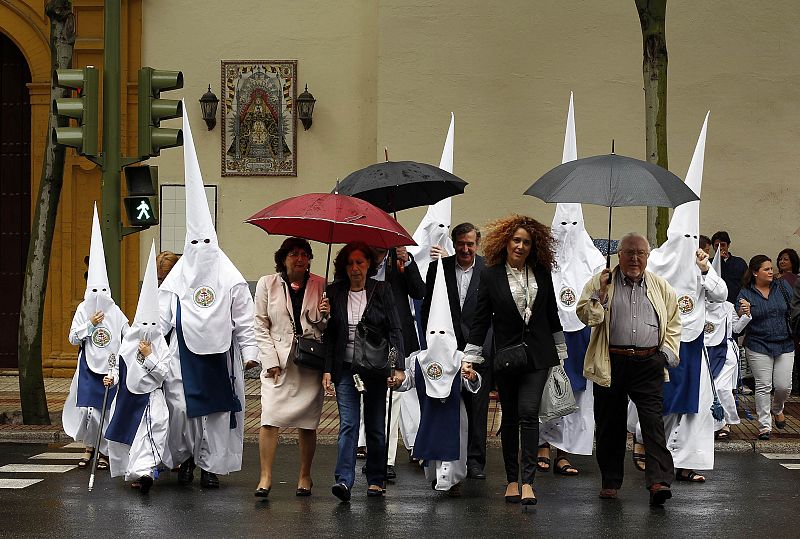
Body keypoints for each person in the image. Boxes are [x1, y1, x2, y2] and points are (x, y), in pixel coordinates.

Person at [159, 110, 259, 489]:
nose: (201, 250)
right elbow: (162, 318)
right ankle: (184, 458)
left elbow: (244, 320)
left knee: (216, 414)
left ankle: (211, 466)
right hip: (182, 356)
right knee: (182, 411)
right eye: (195, 244)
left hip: (221, 356)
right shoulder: (176, 280)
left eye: (207, 243)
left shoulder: (231, 279)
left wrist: (251, 353)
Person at [464, 214, 566, 506]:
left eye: (527, 242)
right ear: (506, 242)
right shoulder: (491, 274)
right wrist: (470, 357)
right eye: (516, 240)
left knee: (528, 412)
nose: (521, 246)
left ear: (535, 246)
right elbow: (481, 319)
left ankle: (529, 481)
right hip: (506, 356)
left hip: (538, 355)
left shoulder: (541, 272)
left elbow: (552, 314)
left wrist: (560, 354)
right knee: (509, 418)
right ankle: (511, 479)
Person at [577, 232, 681, 506]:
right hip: (611, 360)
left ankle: (658, 481)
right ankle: (610, 481)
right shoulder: (603, 282)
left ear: (647, 257)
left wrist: (665, 355)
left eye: (640, 253)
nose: (635, 258)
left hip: (648, 363)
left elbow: (673, 323)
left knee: (652, 422)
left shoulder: (660, 286)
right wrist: (599, 295)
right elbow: (586, 317)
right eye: (629, 252)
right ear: (619, 255)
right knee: (609, 424)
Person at [323, 242, 405, 501]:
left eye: (360, 262)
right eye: (350, 263)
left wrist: (397, 365)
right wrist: (327, 370)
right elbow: (330, 336)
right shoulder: (334, 292)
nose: (355, 268)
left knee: (375, 425)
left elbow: (395, 330)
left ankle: (376, 478)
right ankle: (344, 481)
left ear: (369, 264)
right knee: (348, 424)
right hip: (346, 369)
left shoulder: (382, 290)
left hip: (375, 369)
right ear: (343, 267)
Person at [393, 257, 481, 497]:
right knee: (432, 442)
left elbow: (471, 382)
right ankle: (435, 477)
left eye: (443, 332)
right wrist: (399, 381)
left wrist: (471, 376)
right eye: (434, 332)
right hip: (430, 410)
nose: (439, 337)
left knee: (455, 443)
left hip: (454, 410)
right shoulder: (419, 358)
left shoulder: (459, 357)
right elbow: (409, 379)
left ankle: (453, 480)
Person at [253, 237, 330, 498]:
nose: (300, 259)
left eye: (305, 254)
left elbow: (325, 329)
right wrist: (270, 361)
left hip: (309, 362)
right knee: (269, 418)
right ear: (283, 258)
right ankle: (265, 476)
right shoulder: (267, 283)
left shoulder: (321, 284)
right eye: (294, 254)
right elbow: (261, 325)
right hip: (279, 364)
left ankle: (305, 475)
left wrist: (326, 314)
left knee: (308, 423)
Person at [538, 199, 605, 476]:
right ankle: (542, 443)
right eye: (563, 224)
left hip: (580, 335)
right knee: (545, 388)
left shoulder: (595, 260)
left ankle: (564, 451)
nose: (568, 230)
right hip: (547, 332)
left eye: (573, 224)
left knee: (574, 392)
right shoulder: (542, 258)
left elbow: (601, 300)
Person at [62, 203, 128, 473]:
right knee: (89, 412)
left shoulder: (115, 310)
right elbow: (72, 338)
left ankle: (104, 451)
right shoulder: (83, 309)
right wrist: (90, 324)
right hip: (88, 367)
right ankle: (89, 446)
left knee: (105, 411)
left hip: (109, 367)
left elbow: (127, 335)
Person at [423, 222, 493, 480]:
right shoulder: (437, 268)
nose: (465, 248)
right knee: (448, 404)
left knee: (478, 408)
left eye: (470, 244)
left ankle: (475, 462)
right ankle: (449, 458)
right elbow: (428, 308)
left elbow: (494, 313)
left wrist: (482, 348)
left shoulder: (489, 269)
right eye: (461, 243)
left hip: (479, 348)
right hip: (446, 348)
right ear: (454, 243)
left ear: (478, 244)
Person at [105, 242, 172, 494]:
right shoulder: (127, 343)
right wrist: (110, 377)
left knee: (152, 433)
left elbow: (163, 372)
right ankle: (136, 471)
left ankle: (146, 472)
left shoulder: (160, 345)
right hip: (128, 397)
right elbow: (117, 364)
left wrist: (150, 356)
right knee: (132, 436)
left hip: (151, 398)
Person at [367, 245, 425, 479]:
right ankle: (373, 455)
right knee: (369, 402)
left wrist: (409, 263)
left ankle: (387, 460)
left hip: (395, 338)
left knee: (393, 398)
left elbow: (419, 291)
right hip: (367, 339)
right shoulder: (361, 258)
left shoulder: (399, 260)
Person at [736, 255, 795, 440]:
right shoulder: (746, 293)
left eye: (771, 268)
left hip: (785, 342)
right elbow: (739, 319)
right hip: (758, 344)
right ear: (755, 273)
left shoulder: (782, 287)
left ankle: (777, 408)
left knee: (784, 386)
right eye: (766, 269)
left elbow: (795, 306)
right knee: (763, 385)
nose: (771, 272)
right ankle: (764, 426)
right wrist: (743, 311)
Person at [711, 231, 748, 304]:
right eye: (717, 246)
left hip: (736, 303)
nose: (720, 248)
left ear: (728, 245)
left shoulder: (739, 262)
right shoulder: (709, 264)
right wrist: (719, 261)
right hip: (715, 305)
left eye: (723, 245)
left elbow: (747, 283)